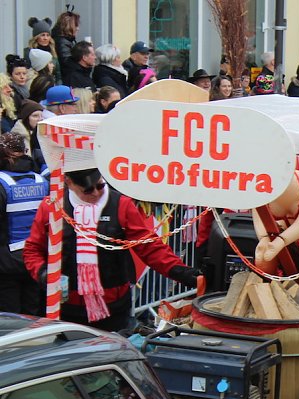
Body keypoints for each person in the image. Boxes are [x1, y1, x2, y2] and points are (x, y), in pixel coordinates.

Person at [23, 168, 201, 332]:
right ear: (69, 182)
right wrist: (43, 273)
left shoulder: (121, 204)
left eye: (99, 185)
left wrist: (183, 273)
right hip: (65, 308)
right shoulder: (52, 206)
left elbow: (149, 247)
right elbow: (32, 249)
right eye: (87, 189)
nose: (96, 193)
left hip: (114, 308)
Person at [0, 132, 49, 315]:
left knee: (10, 319)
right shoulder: (41, 181)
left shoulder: (1, 183)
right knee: (33, 314)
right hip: (36, 258)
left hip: (6, 263)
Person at [26, 17, 62, 85]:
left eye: (48, 35)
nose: (45, 38)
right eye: (42, 35)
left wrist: (58, 87)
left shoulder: (53, 52)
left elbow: (58, 75)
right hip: (36, 84)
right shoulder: (29, 53)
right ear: (36, 37)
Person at [10, 100, 45, 168]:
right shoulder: (18, 137)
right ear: (26, 118)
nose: (40, 119)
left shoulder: (35, 133)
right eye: (35, 116)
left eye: (41, 116)